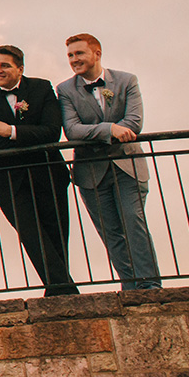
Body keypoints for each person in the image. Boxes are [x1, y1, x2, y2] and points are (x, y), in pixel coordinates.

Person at [0, 45, 77, 296]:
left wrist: (11, 132)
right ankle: (66, 290)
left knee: (56, 235)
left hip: (48, 174)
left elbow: (51, 132)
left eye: (4, 65)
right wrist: (30, 138)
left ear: (20, 69)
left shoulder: (40, 88)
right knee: (32, 235)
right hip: (7, 180)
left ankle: (57, 292)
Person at [58, 33, 161, 290]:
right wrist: (110, 130)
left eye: (79, 53)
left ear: (97, 53)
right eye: (70, 55)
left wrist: (114, 129)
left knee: (133, 222)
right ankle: (130, 286)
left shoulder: (126, 81)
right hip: (90, 173)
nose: (74, 60)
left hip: (127, 166)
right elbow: (72, 129)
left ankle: (149, 285)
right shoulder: (65, 90)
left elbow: (135, 121)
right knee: (111, 234)